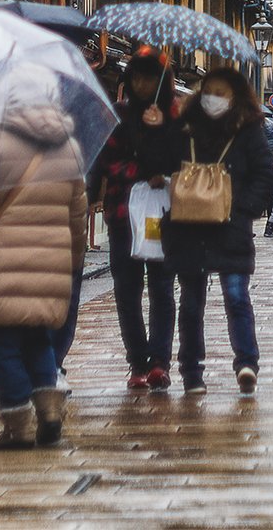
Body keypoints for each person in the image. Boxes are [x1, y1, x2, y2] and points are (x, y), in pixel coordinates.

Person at [0, 66, 88, 449]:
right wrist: (74, 262)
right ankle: (49, 411)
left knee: (2, 346)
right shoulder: (70, 147)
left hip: (4, 265)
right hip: (53, 266)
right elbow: (78, 214)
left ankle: (17, 426)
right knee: (39, 341)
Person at [164, 68, 273, 395]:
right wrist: (163, 128)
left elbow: (264, 174)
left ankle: (246, 363)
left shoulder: (248, 129)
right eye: (209, 90)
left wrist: (242, 207)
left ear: (236, 95)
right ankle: (191, 372)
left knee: (237, 296)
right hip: (188, 226)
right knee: (191, 301)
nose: (214, 97)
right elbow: (162, 162)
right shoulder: (185, 127)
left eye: (222, 92)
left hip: (231, 227)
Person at [90, 49, 181, 390]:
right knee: (127, 291)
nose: (144, 84)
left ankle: (160, 362)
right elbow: (108, 162)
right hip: (122, 215)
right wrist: (144, 167)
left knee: (162, 288)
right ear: (129, 81)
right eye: (138, 77)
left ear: (161, 82)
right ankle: (137, 362)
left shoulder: (174, 117)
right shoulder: (117, 115)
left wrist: (162, 131)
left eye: (150, 77)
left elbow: (182, 161)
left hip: (162, 215)